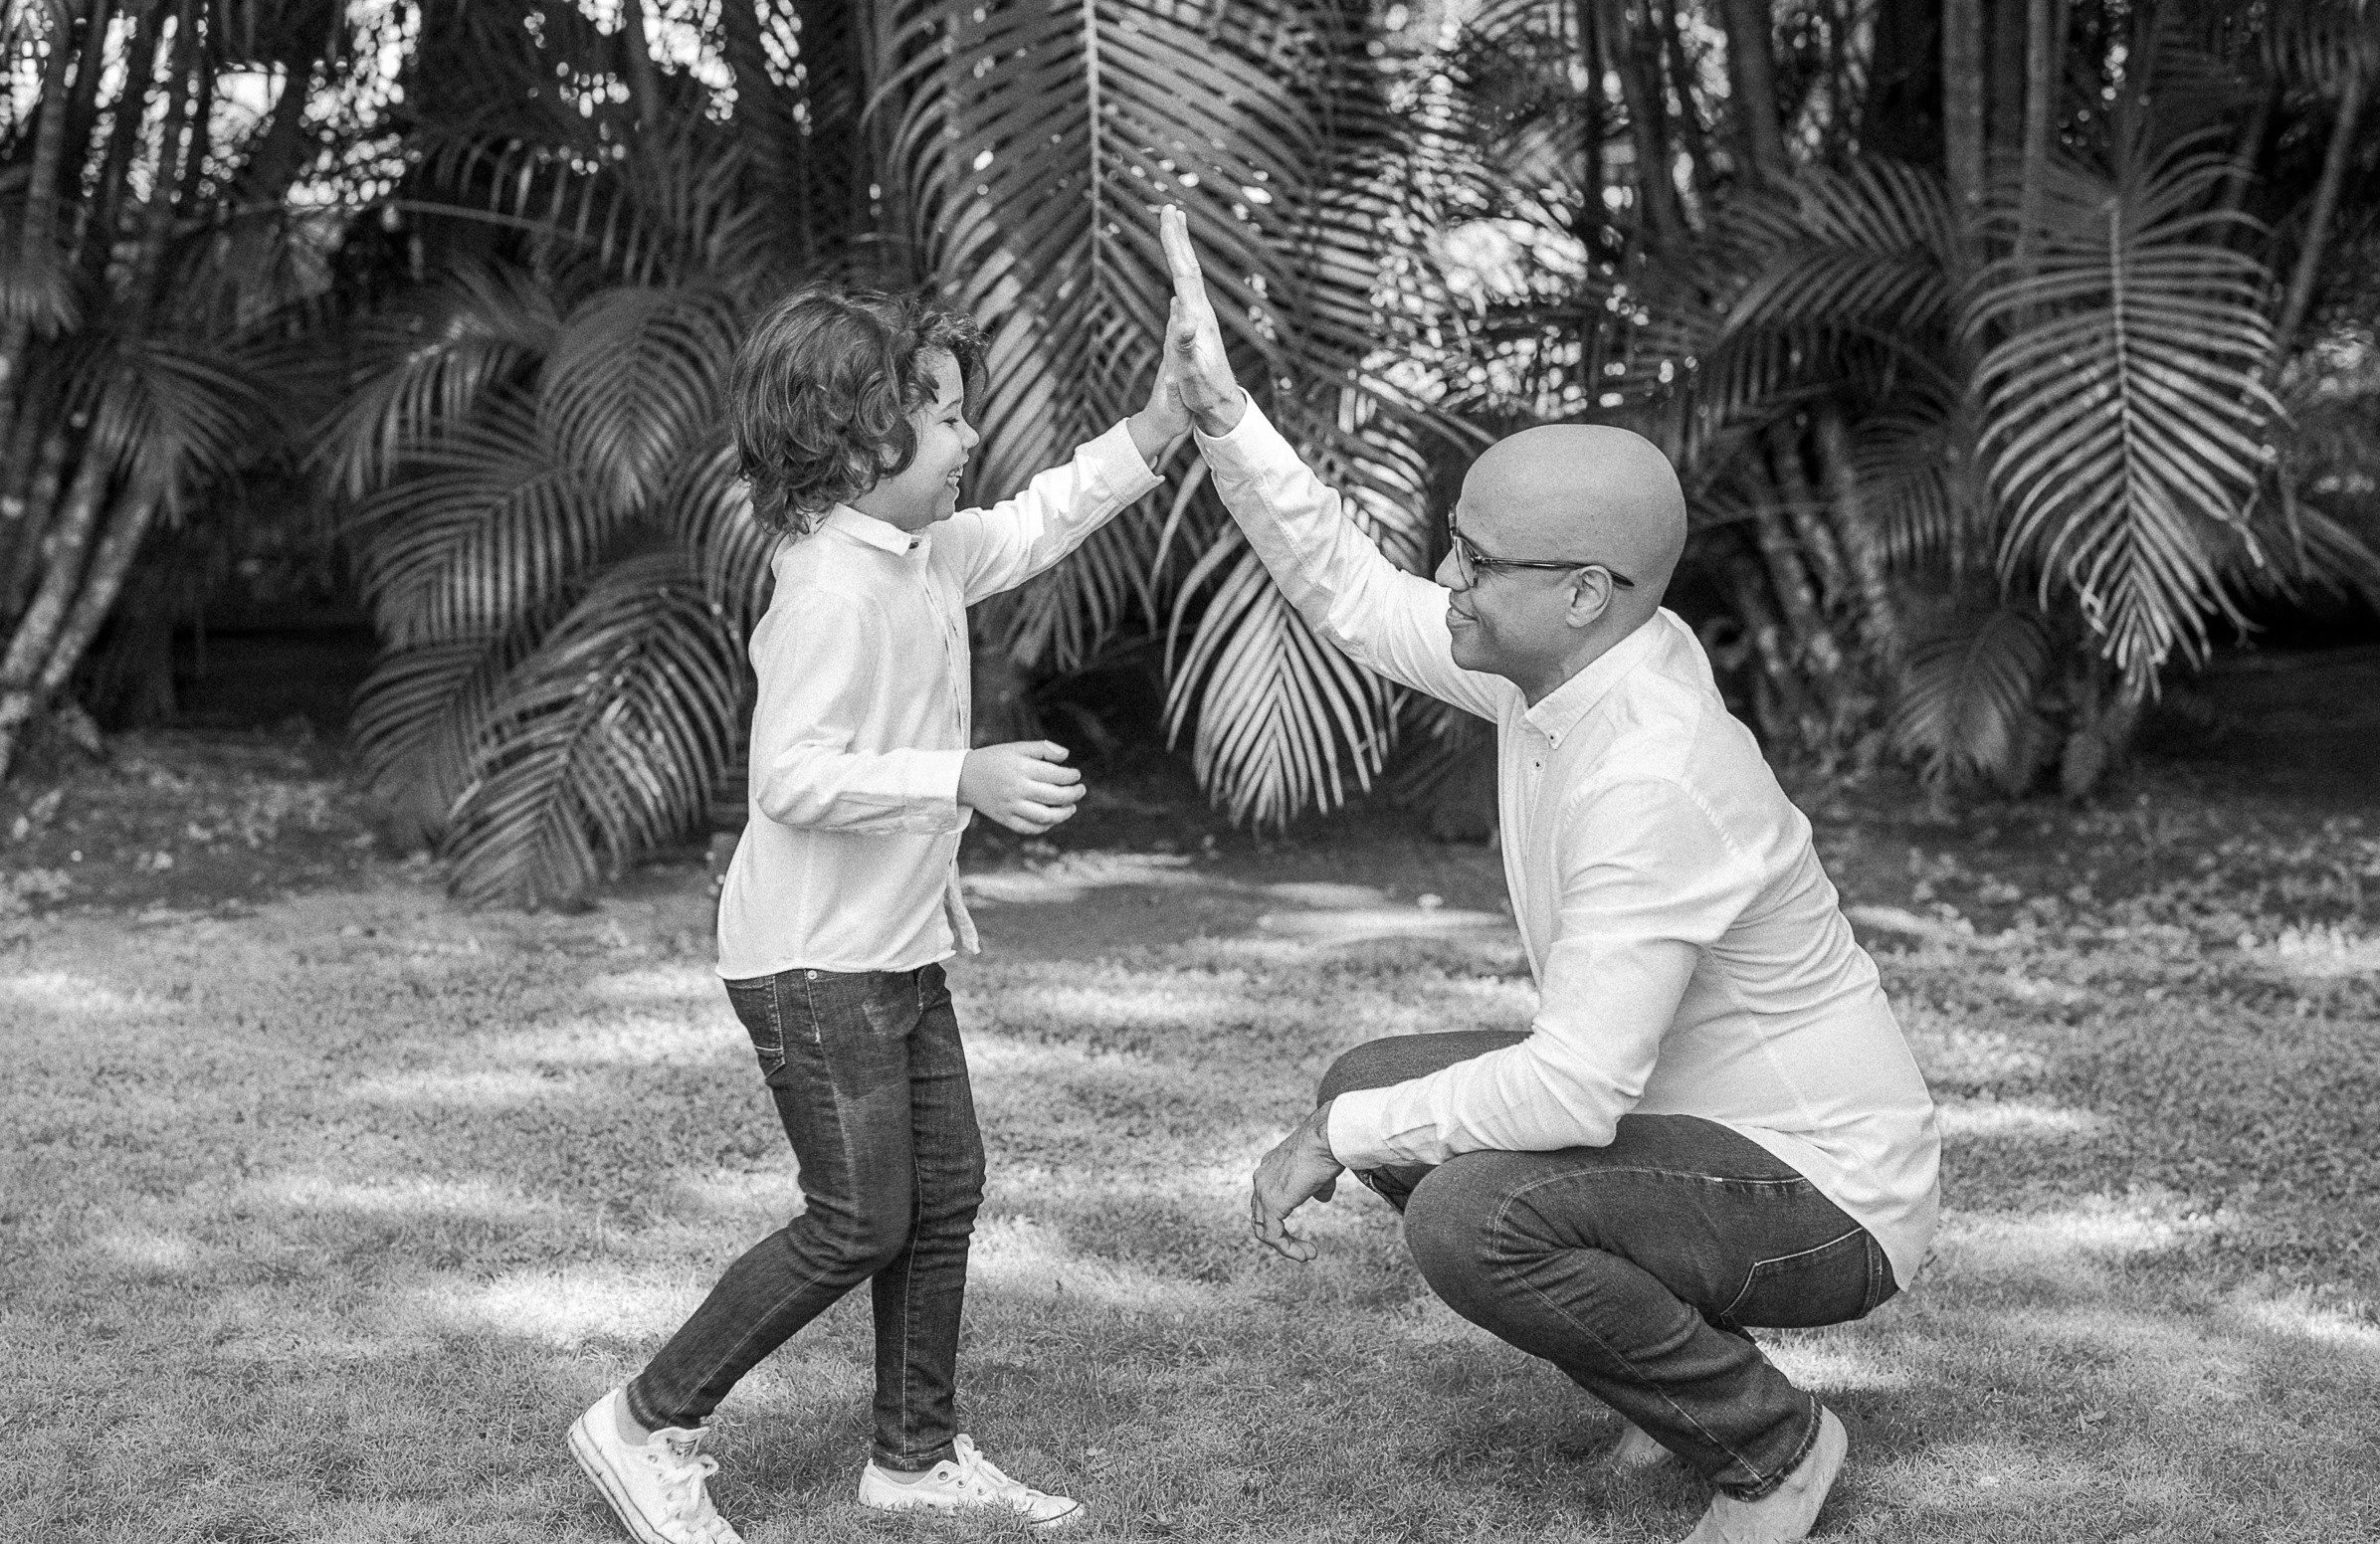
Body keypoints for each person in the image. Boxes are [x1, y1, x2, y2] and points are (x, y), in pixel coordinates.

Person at [1156, 207, 1939, 1544]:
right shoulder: (1562, 654)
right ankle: (1679, 1380)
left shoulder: (1655, 769)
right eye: (1458, 548)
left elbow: (1575, 1083)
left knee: (1467, 1210)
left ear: (1585, 591)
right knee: (1376, 1085)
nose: (1448, 580)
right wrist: (1224, 416)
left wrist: (1332, 1144)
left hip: (1828, 1194)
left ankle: (1773, 1446)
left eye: (1477, 561)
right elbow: (1351, 592)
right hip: (1694, 1136)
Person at [568, 286, 1188, 1544]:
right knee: (857, 1218)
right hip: (810, 963)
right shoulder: (830, 594)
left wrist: (1162, 423)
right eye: (947, 417)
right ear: (858, 445)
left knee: (943, 1189)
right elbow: (789, 777)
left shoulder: (920, 554)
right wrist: (960, 778)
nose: (971, 441)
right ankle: (643, 1420)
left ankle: (913, 1455)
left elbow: (1040, 521)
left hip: (892, 950)